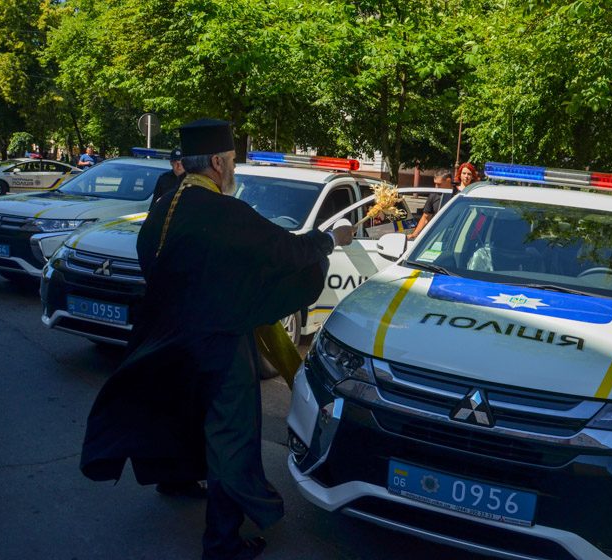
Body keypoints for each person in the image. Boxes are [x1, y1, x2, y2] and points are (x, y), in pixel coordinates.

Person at [80, 118, 353, 560]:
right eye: (232, 163)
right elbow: (288, 252)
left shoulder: (165, 207)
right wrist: (329, 240)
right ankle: (223, 543)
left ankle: (176, 479)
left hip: (166, 339)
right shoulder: (228, 213)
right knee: (232, 436)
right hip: (219, 344)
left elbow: (157, 263)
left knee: (181, 413)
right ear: (217, 163)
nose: (234, 172)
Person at [407, 163, 479, 240]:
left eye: (439, 184)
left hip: (454, 237)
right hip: (435, 236)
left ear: (448, 181)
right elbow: (425, 217)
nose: (436, 187)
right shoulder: (434, 195)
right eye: (435, 184)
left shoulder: (459, 196)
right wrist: (414, 234)